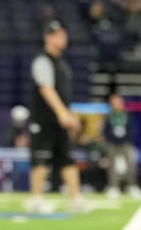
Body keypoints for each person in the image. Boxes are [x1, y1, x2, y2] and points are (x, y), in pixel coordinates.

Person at [26, 20, 88, 214]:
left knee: (67, 158)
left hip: (60, 122)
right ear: (47, 38)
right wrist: (62, 113)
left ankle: (75, 198)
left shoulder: (62, 63)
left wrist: (69, 115)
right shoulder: (42, 61)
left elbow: (64, 93)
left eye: (63, 34)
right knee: (41, 159)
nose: (61, 39)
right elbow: (46, 89)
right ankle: (35, 199)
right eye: (56, 35)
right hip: (44, 120)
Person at [103, 93, 141, 199]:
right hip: (113, 144)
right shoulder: (109, 116)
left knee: (131, 164)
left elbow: (132, 129)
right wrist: (111, 140)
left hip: (126, 143)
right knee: (112, 166)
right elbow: (106, 131)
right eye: (114, 103)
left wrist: (127, 140)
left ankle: (132, 186)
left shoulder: (128, 115)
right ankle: (113, 187)